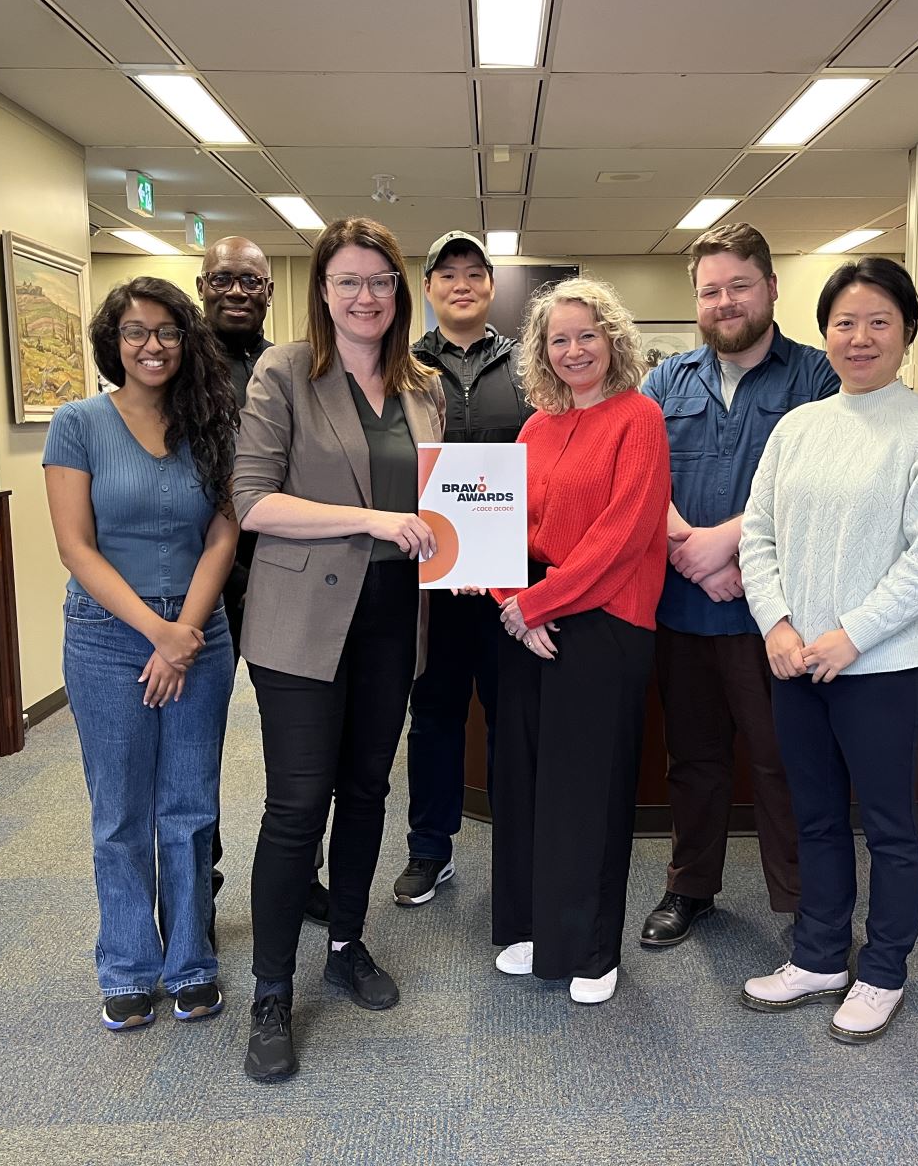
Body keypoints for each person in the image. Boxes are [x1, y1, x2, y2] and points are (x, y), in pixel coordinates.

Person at [738, 257, 918, 1042]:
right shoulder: (799, 427)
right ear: (825, 333)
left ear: (906, 331)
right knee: (813, 820)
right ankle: (819, 956)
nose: (860, 337)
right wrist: (776, 622)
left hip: (882, 670)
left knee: (889, 827)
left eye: (878, 321)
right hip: (797, 663)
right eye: (845, 322)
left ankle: (883, 971)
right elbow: (759, 534)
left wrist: (853, 635)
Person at [233, 217, 445, 1083]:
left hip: (395, 616)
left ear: (401, 292)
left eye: (383, 282)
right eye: (349, 281)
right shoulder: (284, 372)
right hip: (300, 623)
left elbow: (442, 501)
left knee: (366, 790)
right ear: (322, 290)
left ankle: (348, 944)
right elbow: (252, 501)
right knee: (295, 805)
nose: (367, 297)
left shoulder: (423, 384)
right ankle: (271, 993)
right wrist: (369, 519)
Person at [42, 276, 239, 1031]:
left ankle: (190, 962)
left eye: (166, 331)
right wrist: (155, 634)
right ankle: (127, 965)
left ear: (187, 341)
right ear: (113, 343)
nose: (151, 346)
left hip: (200, 635)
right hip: (106, 637)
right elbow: (75, 546)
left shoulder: (208, 421)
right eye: (135, 332)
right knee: (119, 809)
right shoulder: (78, 424)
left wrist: (184, 632)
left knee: (189, 807)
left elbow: (224, 532)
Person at [637, 223, 839, 949]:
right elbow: (645, 475)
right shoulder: (667, 379)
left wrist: (730, 547)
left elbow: (814, 486)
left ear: (772, 287)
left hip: (776, 614)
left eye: (739, 286)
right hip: (685, 605)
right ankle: (690, 887)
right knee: (692, 760)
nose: (725, 302)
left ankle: (803, 904)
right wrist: (693, 550)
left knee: (783, 760)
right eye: (710, 290)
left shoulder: (816, 377)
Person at [488, 277, 670, 1006]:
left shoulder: (640, 418)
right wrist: (514, 605)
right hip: (530, 623)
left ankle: (591, 950)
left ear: (613, 340)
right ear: (541, 350)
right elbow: (505, 528)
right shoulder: (535, 428)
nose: (573, 350)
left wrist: (536, 603)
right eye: (557, 339)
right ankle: (536, 930)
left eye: (586, 335)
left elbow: (622, 538)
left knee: (588, 795)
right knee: (529, 782)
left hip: (606, 622)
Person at [196, 237, 331, 931]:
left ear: (269, 290)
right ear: (202, 285)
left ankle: (302, 874)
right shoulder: (179, 366)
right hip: (205, 578)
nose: (238, 291)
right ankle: (201, 891)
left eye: (251, 280)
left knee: (299, 741)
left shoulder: (292, 368)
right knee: (200, 743)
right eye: (223, 279)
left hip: (285, 572)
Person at [395, 231, 531, 906]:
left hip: (512, 580)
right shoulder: (404, 365)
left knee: (513, 715)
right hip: (433, 580)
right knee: (437, 714)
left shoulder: (530, 364)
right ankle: (430, 850)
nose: (460, 283)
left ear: (490, 286)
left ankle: (517, 845)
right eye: (445, 273)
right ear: (427, 290)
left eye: (473, 272)